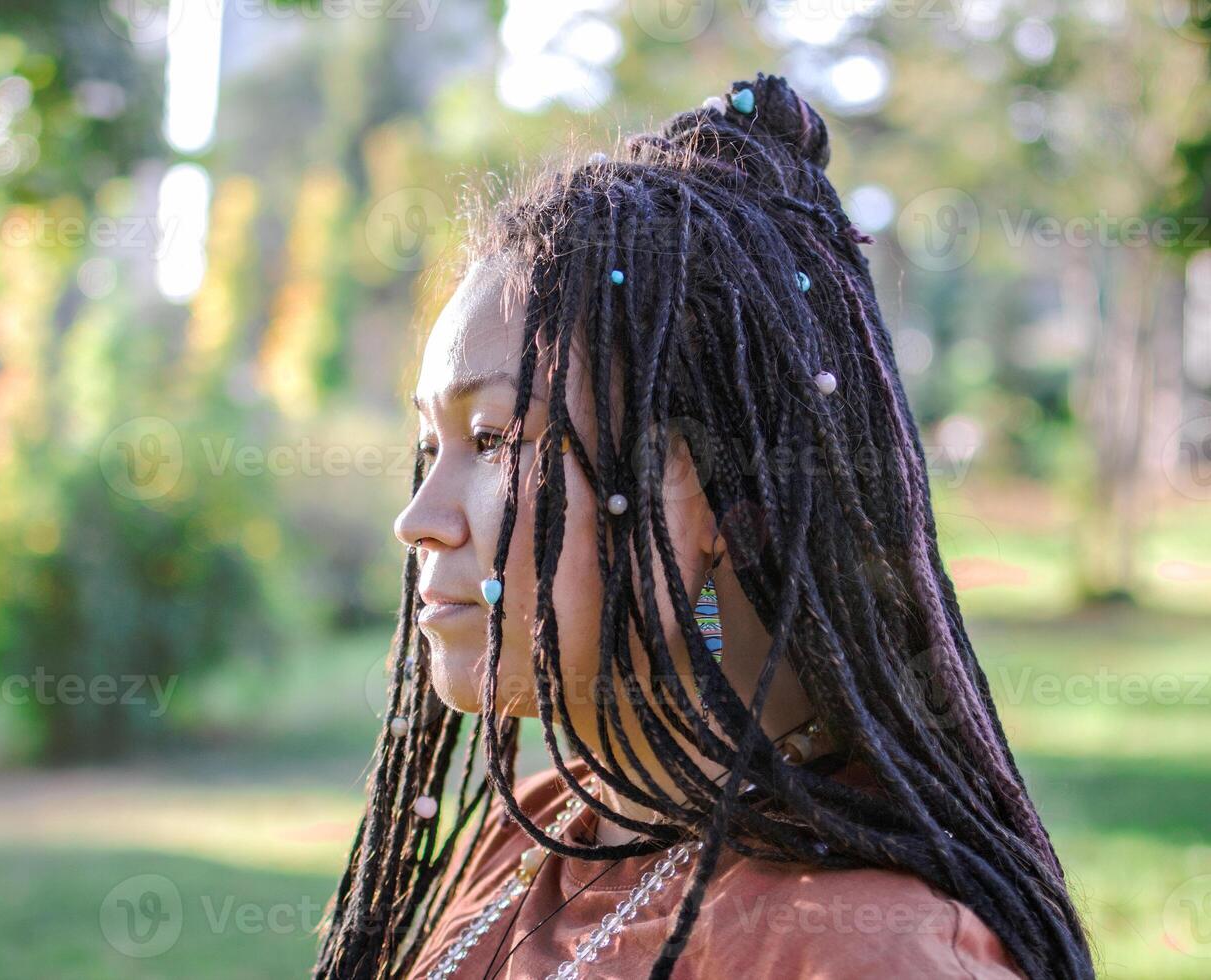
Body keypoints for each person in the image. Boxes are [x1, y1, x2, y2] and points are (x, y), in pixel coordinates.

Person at [312, 72, 1096, 979]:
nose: (418, 520)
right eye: (429, 445)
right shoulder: (525, 837)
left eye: (492, 439)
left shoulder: (876, 953)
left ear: (715, 494)